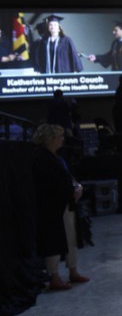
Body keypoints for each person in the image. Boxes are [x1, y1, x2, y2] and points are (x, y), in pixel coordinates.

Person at [32, 123, 90, 291]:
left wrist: (76, 186)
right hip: (53, 207)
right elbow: (51, 184)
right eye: (60, 136)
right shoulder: (41, 159)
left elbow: (67, 178)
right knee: (54, 241)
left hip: (65, 204)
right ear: (50, 139)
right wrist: (72, 190)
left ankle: (73, 270)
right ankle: (54, 276)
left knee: (71, 238)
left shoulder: (57, 157)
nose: (62, 139)